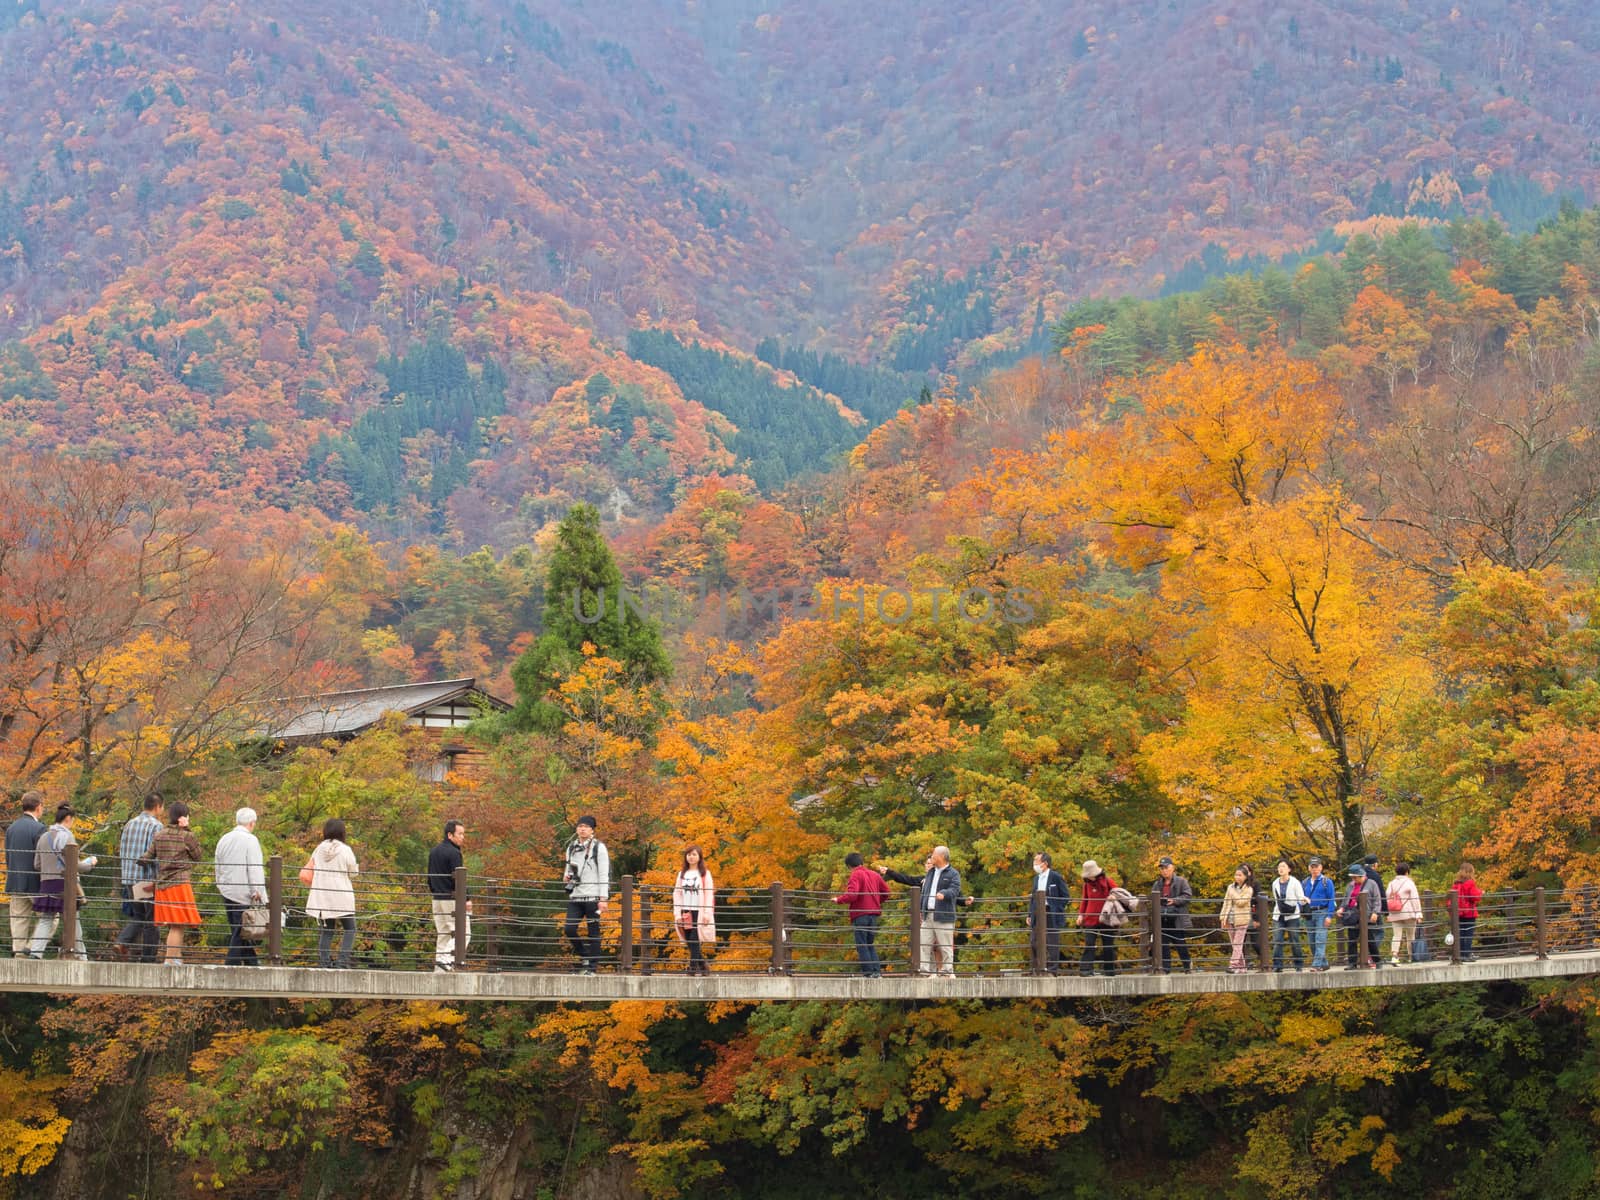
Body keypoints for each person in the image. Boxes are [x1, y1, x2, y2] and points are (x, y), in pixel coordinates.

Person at [27, 803, 97, 960]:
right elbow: (75, 865)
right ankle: (82, 956)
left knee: (46, 918)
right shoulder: (67, 836)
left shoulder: (43, 837)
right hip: (64, 884)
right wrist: (90, 863)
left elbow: (36, 864)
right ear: (68, 819)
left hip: (46, 883)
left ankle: (35, 953)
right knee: (73, 920)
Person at [883, 847, 961, 976]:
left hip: (943, 915)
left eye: (934, 855)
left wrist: (944, 894)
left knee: (945, 945)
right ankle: (926, 972)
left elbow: (955, 890)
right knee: (924, 943)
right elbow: (913, 883)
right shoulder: (930, 873)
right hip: (927, 914)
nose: (931, 857)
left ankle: (947, 972)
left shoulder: (953, 874)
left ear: (941, 856)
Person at [147, 801, 202, 965]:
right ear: (183, 817)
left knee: (174, 924)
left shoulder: (160, 834)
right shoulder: (186, 836)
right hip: (180, 884)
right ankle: (171, 960)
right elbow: (198, 855)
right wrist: (187, 830)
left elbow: (149, 856)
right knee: (178, 925)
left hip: (163, 884)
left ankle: (176, 958)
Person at [111, 795, 163, 962]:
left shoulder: (129, 824)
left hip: (129, 878)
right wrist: (158, 879)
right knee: (151, 920)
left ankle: (124, 944)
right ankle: (148, 959)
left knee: (139, 916)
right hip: (146, 879)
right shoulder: (156, 826)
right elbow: (156, 856)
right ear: (157, 807)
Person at [215, 807, 266, 967]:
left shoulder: (224, 838)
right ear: (252, 823)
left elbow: (218, 864)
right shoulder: (250, 840)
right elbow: (254, 867)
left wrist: (220, 884)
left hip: (227, 890)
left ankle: (252, 964)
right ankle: (230, 967)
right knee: (240, 931)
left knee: (239, 930)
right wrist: (258, 891)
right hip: (242, 893)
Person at [305, 818, 359, 968]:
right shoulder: (345, 849)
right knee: (350, 928)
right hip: (341, 893)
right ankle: (342, 961)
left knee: (327, 930)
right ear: (342, 832)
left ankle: (324, 962)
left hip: (323, 894)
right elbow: (353, 872)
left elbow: (312, 866)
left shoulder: (319, 848)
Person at [562, 815, 609, 975]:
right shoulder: (571, 847)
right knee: (569, 929)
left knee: (593, 932)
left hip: (593, 897)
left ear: (591, 830)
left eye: (586, 826)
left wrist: (603, 899)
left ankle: (592, 968)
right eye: (580, 826)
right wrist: (566, 876)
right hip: (575, 896)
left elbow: (604, 874)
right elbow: (568, 869)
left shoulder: (598, 847)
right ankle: (585, 955)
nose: (582, 829)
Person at [832, 852, 889, 977]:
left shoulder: (855, 875)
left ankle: (868, 973)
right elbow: (886, 892)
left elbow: (853, 895)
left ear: (849, 866)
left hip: (860, 914)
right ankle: (876, 972)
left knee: (862, 944)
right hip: (874, 914)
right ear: (861, 862)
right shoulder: (874, 875)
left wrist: (839, 899)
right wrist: (876, 901)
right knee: (870, 943)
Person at [5, 792, 46, 956]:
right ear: (38, 806)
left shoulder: (11, 828)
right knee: (50, 918)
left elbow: (8, 855)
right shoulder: (40, 828)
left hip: (15, 880)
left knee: (18, 921)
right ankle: (32, 947)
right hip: (35, 883)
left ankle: (20, 954)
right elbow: (42, 858)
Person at [426, 820, 471, 972]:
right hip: (451, 899)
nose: (463, 837)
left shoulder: (434, 851)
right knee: (463, 932)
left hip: (437, 898)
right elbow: (459, 878)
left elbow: (429, 877)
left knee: (444, 934)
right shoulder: (454, 853)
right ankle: (446, 960)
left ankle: (439, 969)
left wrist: (435, 891)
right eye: (460, 834)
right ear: (450, 835)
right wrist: (466, 899)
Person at [672, 846, 716, 976]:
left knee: (694, 938)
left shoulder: (705, 874)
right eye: (689, 854)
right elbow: (677, 893)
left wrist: (707, 913)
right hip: (686, 911)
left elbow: (709, 895)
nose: (691, 857)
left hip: (699, 911)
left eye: (694, 854)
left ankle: (692, 968)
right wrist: (677, 913)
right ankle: (703, 965)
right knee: (689, 940)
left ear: (699, 857)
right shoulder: (682, 874)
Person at [1024, 852, 1070, 973]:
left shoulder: (1055, 876)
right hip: (1037, 912)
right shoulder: (1036, 878)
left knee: (1052, 941)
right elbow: (1033, 898)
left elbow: (1065, 897)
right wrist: (1029, 914)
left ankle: (1052, 969)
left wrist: (1056, 907)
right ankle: (1036, 968)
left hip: (1051, 912)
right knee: (1034, 941)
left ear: (1045, 863)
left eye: (1036, 861)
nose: (1034, 864)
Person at [1335, 863, 1383, 969]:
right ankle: (1352, 963)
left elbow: (1377, 899)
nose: (1353, 879)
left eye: (1355, 877)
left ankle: (1377, 960)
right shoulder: (1350, 885)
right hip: (1352, 914)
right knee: (1351, 939)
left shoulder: (1372, 884)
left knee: (1369, 939)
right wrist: (1342, 908)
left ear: (1361, 875)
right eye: (1352, 877)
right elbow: (1346, 900)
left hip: (1367, 914)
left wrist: (1375, 912)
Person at [1075, 859, 1117, 977]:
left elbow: (1119, 893)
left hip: (1106, 917)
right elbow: (1085, 900)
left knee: (1108, 945)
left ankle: (1109, 970)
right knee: (1089, 944)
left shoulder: (1108, 881)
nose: (1090, 877)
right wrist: (1081, 915)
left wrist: (1113, 896)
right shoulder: (1086, 885)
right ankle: (1086, 970)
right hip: (1090, 918)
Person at [1151, 856, 1193, 973]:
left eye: (1166, 868)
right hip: (1162, 918)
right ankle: (1166, 969)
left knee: (1180, 943)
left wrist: (1174, 900)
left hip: (1176, 917)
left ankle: (1187, 966)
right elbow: (1153, 899)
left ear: (1172, 868)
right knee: (1163, 945)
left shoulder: (1181, 881)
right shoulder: (1157, 884)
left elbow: (1188, 896)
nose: (1164, 870)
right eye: (1162, 868)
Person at [1270, 859, 1307, 972]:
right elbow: (1277, 900)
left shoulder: (1295, 882)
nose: (1281, 869)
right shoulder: (1275, 883)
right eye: (1279, 866)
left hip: (1292, 915)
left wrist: (1304, 900)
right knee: (1277, 940)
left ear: (1289, 869)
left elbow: (1300, 897)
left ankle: (1299, 964)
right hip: (1279, 915)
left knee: (1294, 940)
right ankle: (1277, 964)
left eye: (1283, 866)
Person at [1302, 856, 1336, 972]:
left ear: (1321, 867)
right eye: (1312, 867)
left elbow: (1332, 899)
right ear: (1309, 868)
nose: (1314, 869)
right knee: (1311, 940)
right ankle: (1324, 963)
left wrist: (1329, 915)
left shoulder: (1327, 882)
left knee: (1320, 938)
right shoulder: (1305, 882)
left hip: (1322, 911)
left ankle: (1316, 964)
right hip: (1309, 913)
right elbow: (1300, 898)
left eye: (1316, 867)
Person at [1385, 861, 1422, 965]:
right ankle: (1411, 957)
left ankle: (1394, 956)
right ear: (1407, 872)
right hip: (1408, 913)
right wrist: (1418, 914)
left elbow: (1387, 897)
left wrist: (1388, 913)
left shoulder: (1391, 883)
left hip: (1394, 913)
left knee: (1396, 935)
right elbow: (1415, 899)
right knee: (1411, 935)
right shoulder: (1409, 883)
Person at [1221, 867, 1254, 972]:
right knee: (1235, 944)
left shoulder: (1248, 889)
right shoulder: (1230, 887)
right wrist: (1222, 917)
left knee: (1237, 944)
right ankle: (1242, 967)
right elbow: (1226, 902)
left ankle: (1233, 965)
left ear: (1245, 877)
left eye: (1240, 875)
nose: (1237, 877)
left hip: (1242, 919)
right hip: (1230, 918)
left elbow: (1241, 902)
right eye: (1236, 875)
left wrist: (1232, 893)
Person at [1452, 862, 1482, 962]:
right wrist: (1481, 892)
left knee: (1460, 933)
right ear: (1470, 872)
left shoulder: (1456, 883)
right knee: (1468, 934)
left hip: (1458, 913)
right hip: (1469, 913)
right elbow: (1475, 897)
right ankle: (1467, 954)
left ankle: (1460, 954)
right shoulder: (1470, 883)